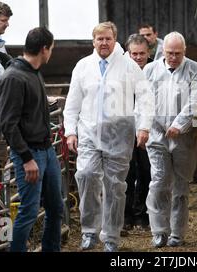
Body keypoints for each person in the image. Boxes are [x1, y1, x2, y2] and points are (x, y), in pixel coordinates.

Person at [63, 22, 154, 252]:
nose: (104, 43)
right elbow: (72, 103)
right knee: (85, 176)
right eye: (99, 39)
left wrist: (144, 127)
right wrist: (70, 131)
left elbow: (145, 97)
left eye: (108, 39)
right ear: (93, 41)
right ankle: (90, 231)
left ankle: (111, 236)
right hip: (89, 133)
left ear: (115, 41)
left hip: (119, 135)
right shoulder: (83, 66)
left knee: (115, 186)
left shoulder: (128, 66)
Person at [0, 27, 63, 252]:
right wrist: (26, 158)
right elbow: (8, 123)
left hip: (46, 150)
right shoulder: (14, 77)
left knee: (56, 208)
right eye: (51, 49)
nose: (51, 53)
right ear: (44, 49)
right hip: (30, 153)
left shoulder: (34, 72)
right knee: (28, 210)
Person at [144, 31, 197, 248]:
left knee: (181, 185)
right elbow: (143, 100)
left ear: (184, 52)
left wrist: (179, 125)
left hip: (184, 137)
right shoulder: (150, 70)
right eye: (169, 53)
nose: (173, 57)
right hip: (157, 134)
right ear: (163, 50)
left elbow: (196, 100)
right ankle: (159, 231)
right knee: (159, 182)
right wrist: (144, 127)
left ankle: (177, 233)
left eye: (178, 53)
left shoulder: (194, 68)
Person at [123, 34, 153, 231]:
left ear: (148, 53)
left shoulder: (153, 69)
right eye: (134, 53)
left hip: (146, 128)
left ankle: (141, 215)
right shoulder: (120, 69)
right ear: (128, 53)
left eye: (142, 53)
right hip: (124, 128)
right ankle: (125, 217)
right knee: (126, 173)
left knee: (146, 171)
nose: (138, 57)